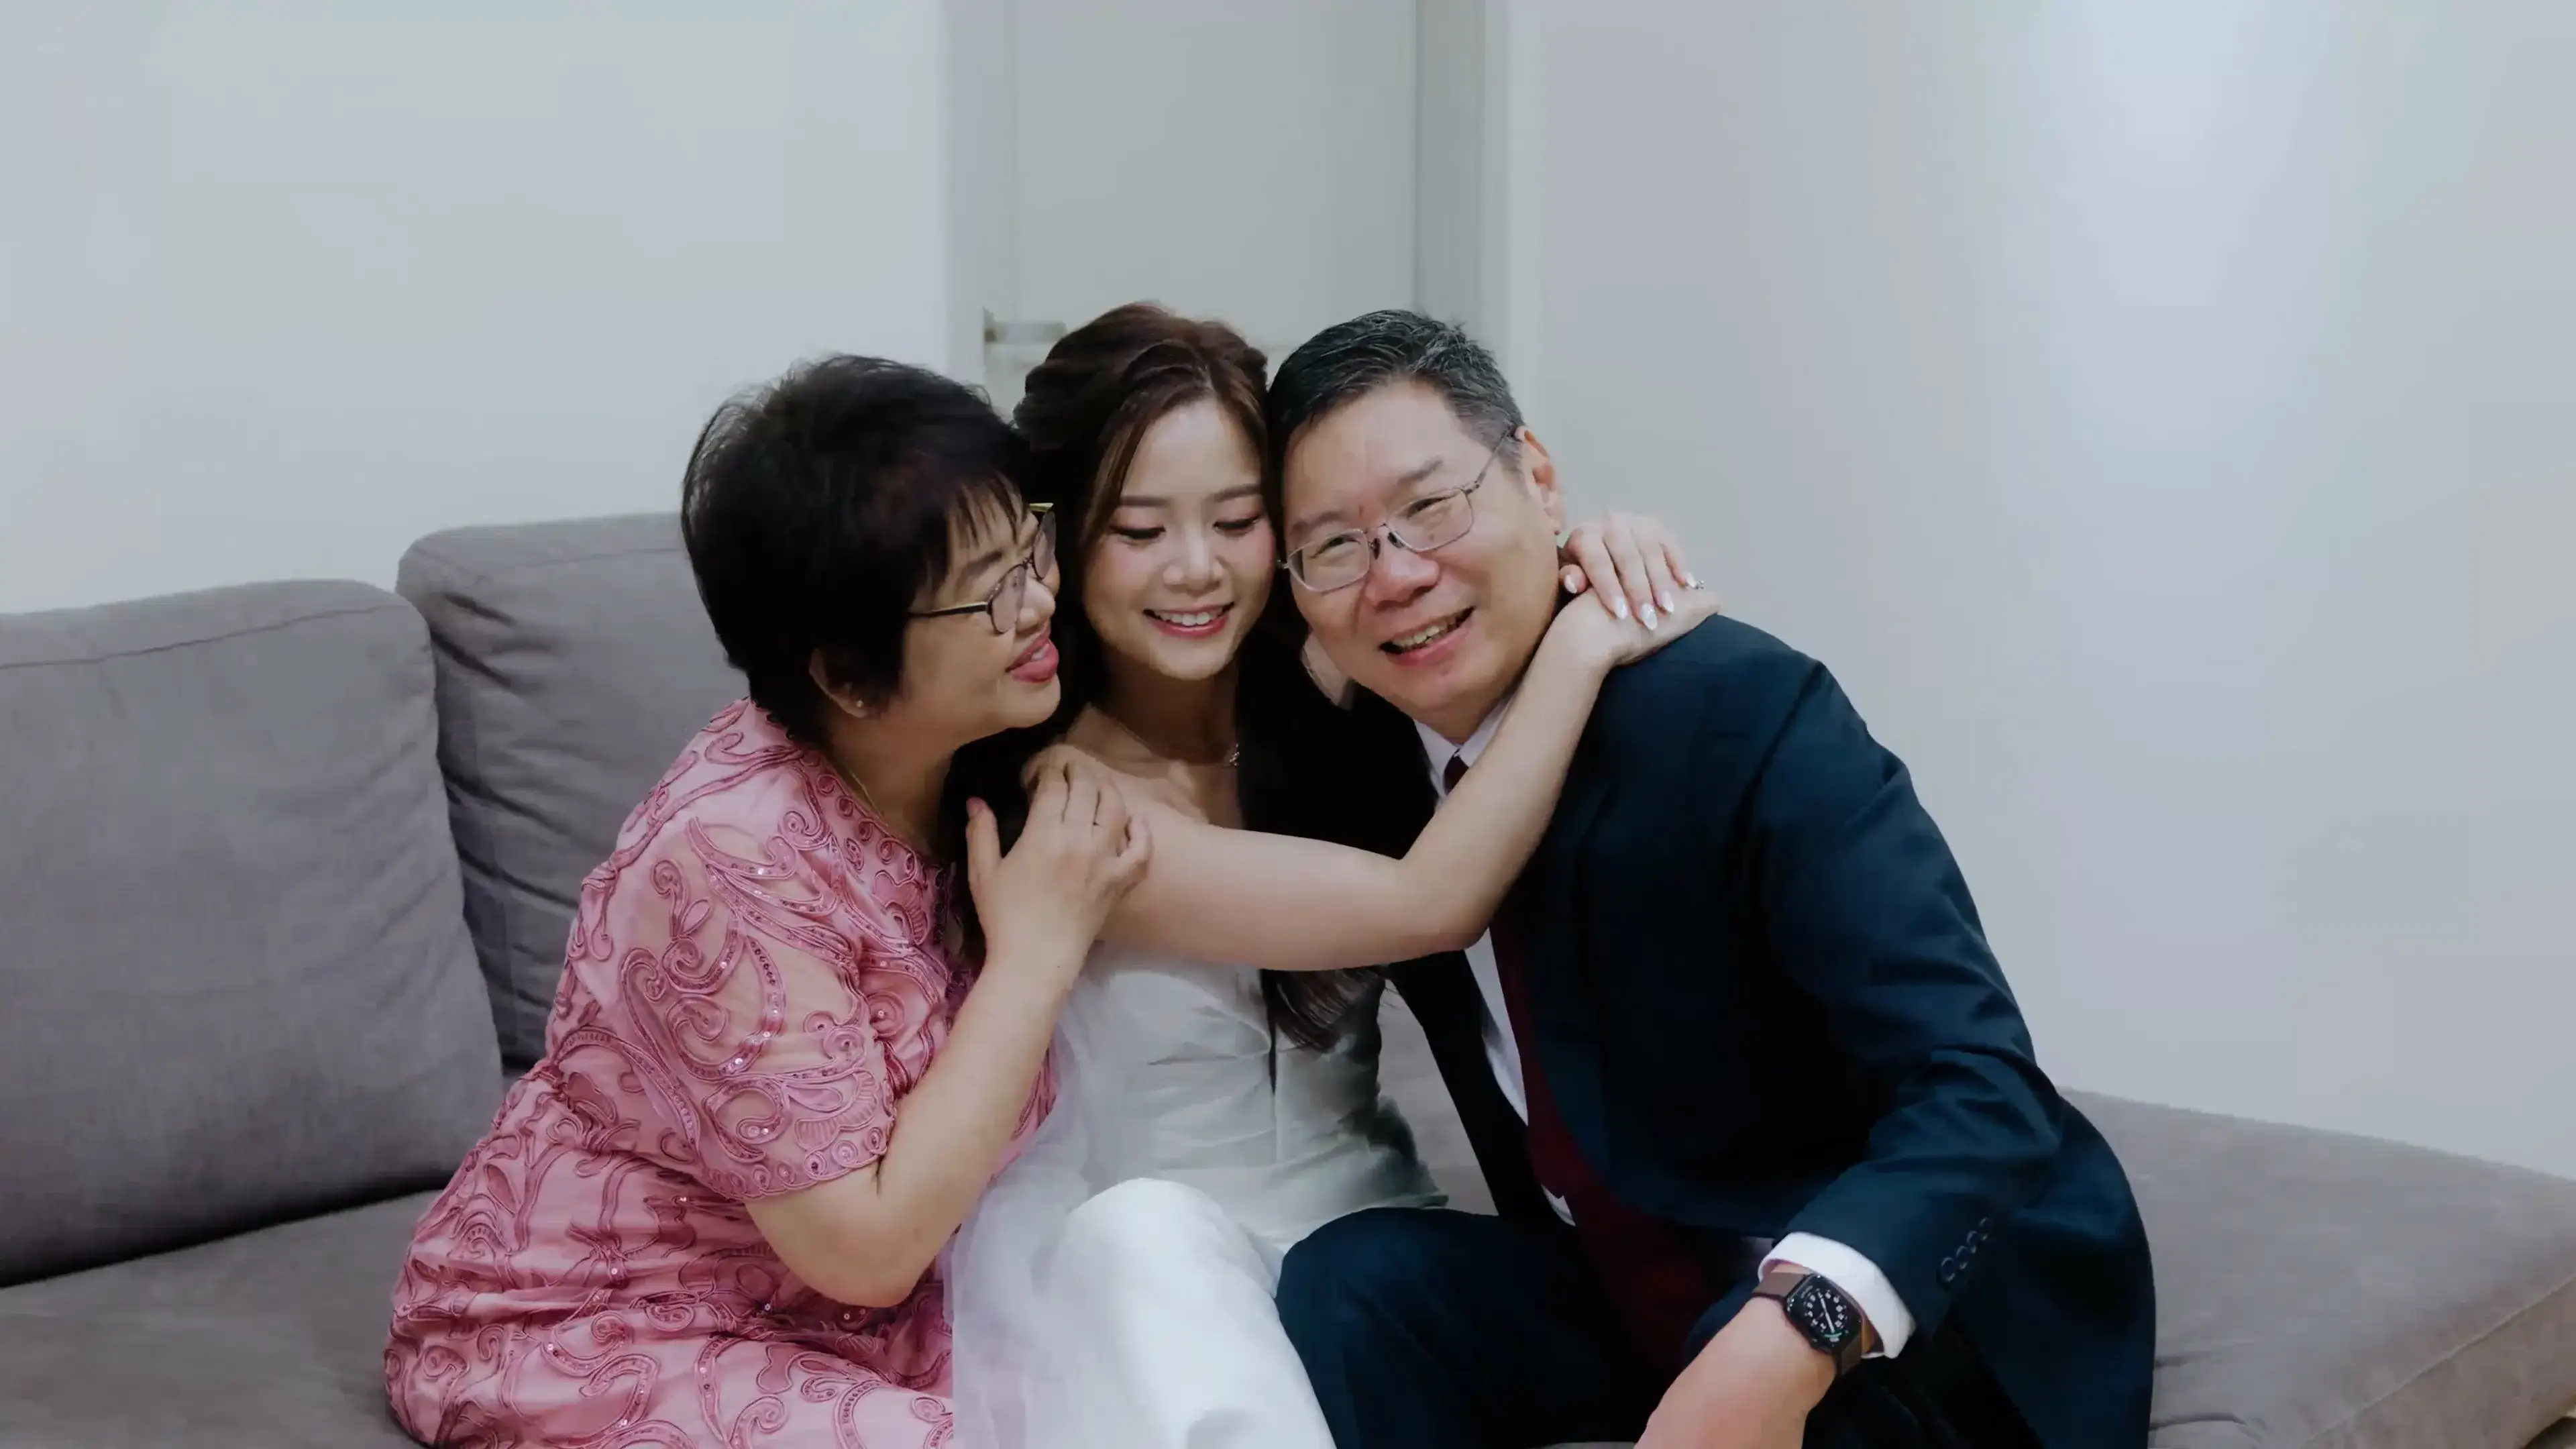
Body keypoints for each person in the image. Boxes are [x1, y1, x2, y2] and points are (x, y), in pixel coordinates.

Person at [1258, 312, 2158, 1449]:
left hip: (1883, 1303)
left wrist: (1799, 1322)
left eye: (1433, 506)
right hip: (1626, 1292)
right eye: (1335, 547)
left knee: (1798, 1370)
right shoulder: (1370, 776)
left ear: (1538, 478)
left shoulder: (1738, 707)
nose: (1396, 575)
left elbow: (1981, 1086)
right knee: (1354, 1285)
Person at [938, 303, 1718, 1449]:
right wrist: (1581, 646)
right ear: (1062, 540)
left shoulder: (1330, 702)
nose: (1197, 570)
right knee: (1141, 1236)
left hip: (1366, 1242)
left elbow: (1472, 606)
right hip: (1164, 1290)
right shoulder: (1069, 805)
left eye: (1237, 520)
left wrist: (1590, 554)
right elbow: (1431, 904)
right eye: (1140, 529)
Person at [384, 356, 1150, 1448]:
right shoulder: (727, 860)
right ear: (847, 674)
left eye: (1030, 547)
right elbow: (864, 1248)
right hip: (602, 1325)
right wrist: (1034, 958)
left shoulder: (967, 745)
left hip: (855, 1316)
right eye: (990, 590)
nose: (1040, 602)